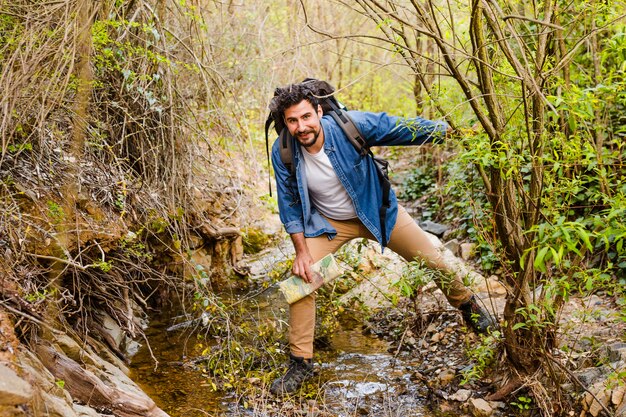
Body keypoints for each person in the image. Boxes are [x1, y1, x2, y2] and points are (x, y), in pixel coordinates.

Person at [268, 80, 495, 395]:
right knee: (301, 282)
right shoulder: (283, 151)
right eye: (292, 121)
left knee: (432, 260)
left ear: (318, 111)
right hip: (330, 223)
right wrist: (302, 253)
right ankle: (300, 363)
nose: (301, 127)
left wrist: (454, 131)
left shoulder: (350, 125)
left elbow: (401, 128)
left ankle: (470, 308)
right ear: (286, 123)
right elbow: (289, 203)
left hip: (377, 209)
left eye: (306, 117)